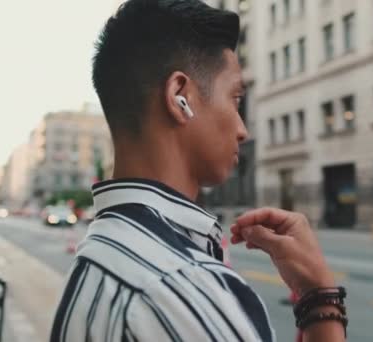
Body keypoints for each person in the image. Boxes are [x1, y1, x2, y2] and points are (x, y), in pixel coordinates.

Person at [50, 1, 347, 341]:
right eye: (235, 99)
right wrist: (322, 295)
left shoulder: (96, 254)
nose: (242, 129)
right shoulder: (180, 286)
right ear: (181, 97)